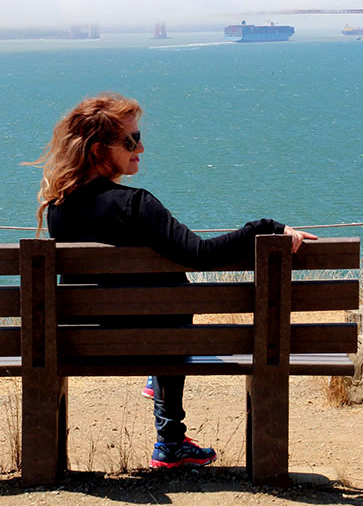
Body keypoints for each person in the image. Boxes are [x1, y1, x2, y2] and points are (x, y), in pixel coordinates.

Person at [29, 92, 316, 469]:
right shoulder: (136, 205)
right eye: (131, 141)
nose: (141, 148)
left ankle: (168, 428)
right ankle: (170, 440)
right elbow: (200, 255)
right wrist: (265, 227)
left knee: (163, 289)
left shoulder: (58, 210)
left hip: (88, 342)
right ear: (100, 150)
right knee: (173, 289)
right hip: (159, 341)